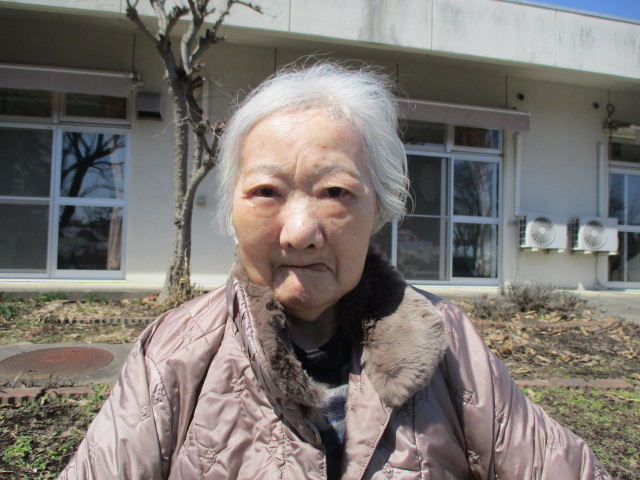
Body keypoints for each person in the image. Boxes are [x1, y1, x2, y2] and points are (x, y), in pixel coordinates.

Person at [60, 62, 611, 479]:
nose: (300, 232)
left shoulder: (447, 340)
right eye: (266, 191)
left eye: (334, 192)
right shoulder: (174, 353)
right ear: (231, 210)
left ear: (380, 208)